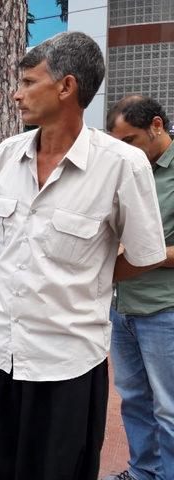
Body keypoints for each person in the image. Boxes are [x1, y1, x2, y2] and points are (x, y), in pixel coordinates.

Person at [0, 32, 166, 480]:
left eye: (29, 81)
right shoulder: (6, 154)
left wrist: (89, 275)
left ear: (66, 87)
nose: (16, 93)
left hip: (66, 362)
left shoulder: (121, 164)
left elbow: (147, 255)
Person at [106, 96, 174, 480]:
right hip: (123, 307)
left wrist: (143, 252)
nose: (124, 151)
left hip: (164, 309)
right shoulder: (130, 170)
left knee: (169, 408)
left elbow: (140, 247)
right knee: (133, 401)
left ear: (157, 126)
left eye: (129, 140)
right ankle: (143, 471)